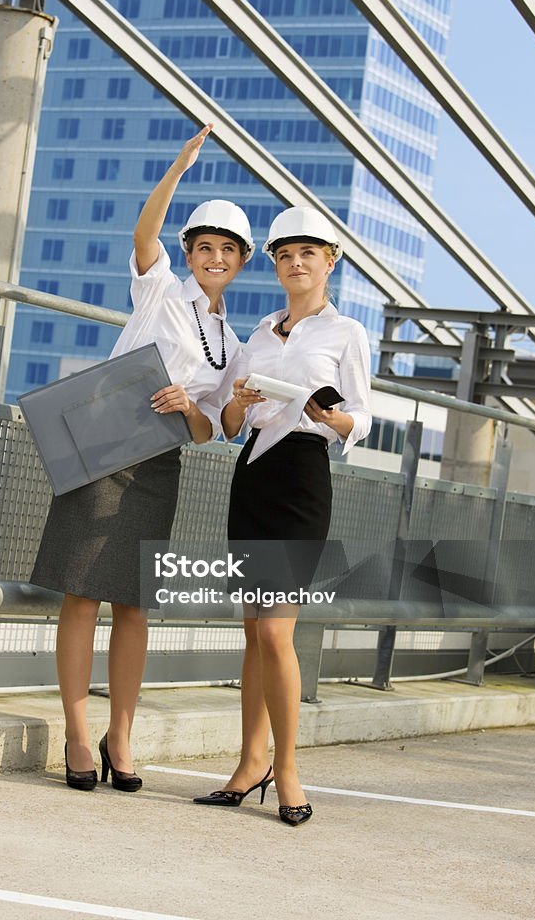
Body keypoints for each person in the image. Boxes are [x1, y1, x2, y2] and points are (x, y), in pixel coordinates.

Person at [30, 125, 254, 793]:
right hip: (101, 445)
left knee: (133, 604)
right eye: (204, 246)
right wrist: (179, 169)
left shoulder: (232, 345)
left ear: (241, 262)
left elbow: (211, 431)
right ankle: (75, 732)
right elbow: (143, 235)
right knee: (81, 593)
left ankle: (118, 734)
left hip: (159, 463)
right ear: (190, 252)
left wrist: (189, 406)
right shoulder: (159, 288)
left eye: (227, 250)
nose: (214, 257)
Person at [193, 205, 371, 826]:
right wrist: (238, 401)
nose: (296, 264)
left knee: (276, 631)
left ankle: (288, 768)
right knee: (252, 633)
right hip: (253, 475)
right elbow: (229, 427)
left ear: (330, 262)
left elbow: (363, 419)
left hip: (302, 476)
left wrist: (331, 417)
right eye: (285, 255)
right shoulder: (259, 336)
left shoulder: (346, 332)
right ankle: (250, 762)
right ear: (274, 264)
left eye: (309, 255)